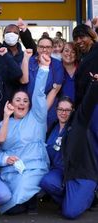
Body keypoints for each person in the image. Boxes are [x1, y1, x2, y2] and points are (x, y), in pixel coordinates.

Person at [0, 54, 51, 215]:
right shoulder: (2, 123)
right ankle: (27, 200)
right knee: (3, 197)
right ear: (11, 103)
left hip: (33, 168)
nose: (21, 103)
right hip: (9, 170)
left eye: (25, 100)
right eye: (18, 100)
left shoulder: (37, 118)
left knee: (18, 195)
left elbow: (39, 94)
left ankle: (30, 200)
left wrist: (44, 69)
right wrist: (6, 159)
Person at [40, 73, 98, 219]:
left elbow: (87, 105)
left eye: (67, 110)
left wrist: (94, 84)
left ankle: (88, 197)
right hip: (61, 172)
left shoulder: (78, 124)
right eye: (60, 109)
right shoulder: (52, 127)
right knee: (46, 182)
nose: (63, 113)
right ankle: (72, 199)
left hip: (80, 173)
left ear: (73, 111)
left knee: (69, 213)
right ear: (56, 110)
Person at [23, 36, 64, 128]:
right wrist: (25, 59)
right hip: (26, 107)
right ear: (37, 48)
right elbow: (23, 80)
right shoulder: (29, 61)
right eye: (41, 47)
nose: (44, 49)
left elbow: (55, 90)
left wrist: (41, 112)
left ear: (52, 49)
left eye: (48, 47)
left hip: (47, 109)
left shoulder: (57, 64)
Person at [72, 24, 98, 169]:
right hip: (86, 108)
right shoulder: (83, 56)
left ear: (91, 37)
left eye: (82, 37)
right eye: (76, 38)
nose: (79, 41)